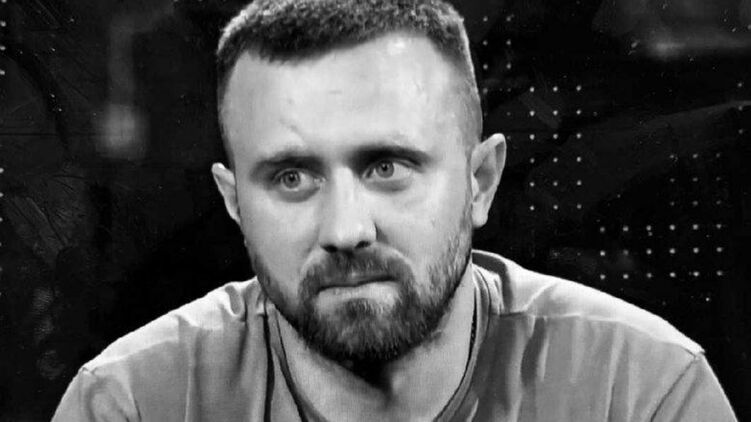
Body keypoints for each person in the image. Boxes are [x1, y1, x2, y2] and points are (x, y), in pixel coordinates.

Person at [53, 0, 738, 420]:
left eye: (387, 168)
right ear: (234, 203)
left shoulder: (639, 390)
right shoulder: (130, 403)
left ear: (480, 182)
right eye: (291, 178)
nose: (346, 230)